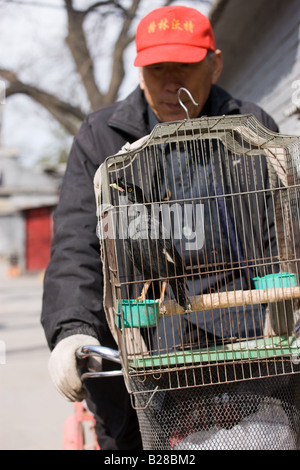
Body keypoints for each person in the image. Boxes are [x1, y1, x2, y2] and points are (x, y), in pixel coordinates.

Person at [41, 5, 279, 450]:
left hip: (241, 347)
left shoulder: (252, 130)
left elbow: (279, 233)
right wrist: (72, 328)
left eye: (185, 67)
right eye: (156, 69)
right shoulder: (102, 138)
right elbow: (77, 242)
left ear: (216, 63)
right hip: (141, 346)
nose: (171, 84)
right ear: (139, 68)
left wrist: (284, 309)